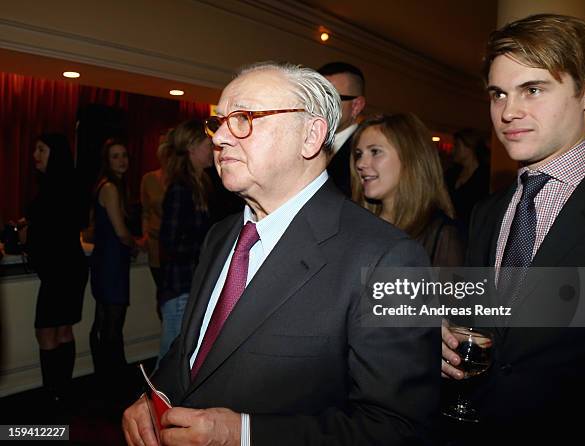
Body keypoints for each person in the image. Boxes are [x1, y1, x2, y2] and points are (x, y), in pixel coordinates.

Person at [123, 62, 439, 446]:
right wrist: (157, 394)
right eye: (218, 121)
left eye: (243, 118)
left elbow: (397, 427)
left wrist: (242, 434)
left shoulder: (390, 259)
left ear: (310, 136)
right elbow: (193, 348)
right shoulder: (221, 235)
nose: (221, 136)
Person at [441, 14, 585, 444]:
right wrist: (446, 335)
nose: (508, 112)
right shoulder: (487, 210)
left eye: (532, 90)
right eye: (498, 94)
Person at [24, 133, 89, 404]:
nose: (35, 155)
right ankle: (63, 391)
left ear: (55, 153)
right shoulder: (69, 184)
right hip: (70, 268)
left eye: (41, 149)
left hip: (60, 271)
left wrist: (27, 231)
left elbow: (46, 232)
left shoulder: (52, 188)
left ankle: (53, 392)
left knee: (46, 332)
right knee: (62, 330)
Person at [352, 113, 464, 267]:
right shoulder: (357, 225)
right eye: (359, 154)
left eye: (375, 152)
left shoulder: (442, 235)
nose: (361, 164)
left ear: (409, 157)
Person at [157, 120, 213, 361]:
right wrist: (205, 250)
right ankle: (154, 399)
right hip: (180, 285)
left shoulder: (202, 184)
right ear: (192, 147)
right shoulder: (181, 189)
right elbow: (169, 243)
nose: (212, 149)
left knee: (182, 353)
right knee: (171, 355)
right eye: (207, 144)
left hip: (190, 283)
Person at [89, 139, 139, 383]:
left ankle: (105, 375)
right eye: (115, 156)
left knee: (104, 319)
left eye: (124, 155)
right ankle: (111, 376)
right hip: (111, 262)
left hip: (108, 261)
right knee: (111, 322)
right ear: (107, 162)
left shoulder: (109, 186)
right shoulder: (110, 188)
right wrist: (135, 243)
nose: (122, 161)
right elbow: (120, 231)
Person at [318, 62, 366, 196]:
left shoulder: (365, 154)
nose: (320, 105)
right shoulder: (302, 142)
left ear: (356, 106)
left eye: (330, 98)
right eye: (316, 96)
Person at [140, 139, 168, 308]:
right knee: (162, 295)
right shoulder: (149, 179)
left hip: (176, 249)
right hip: (155, 245)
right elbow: (145, 212)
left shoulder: (182, 181)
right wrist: (144, 236)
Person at [445, 128, 490, 227]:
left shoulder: (484, 177)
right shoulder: (451, 174)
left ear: (469, 147)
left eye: (457, 145)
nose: (453, 149)